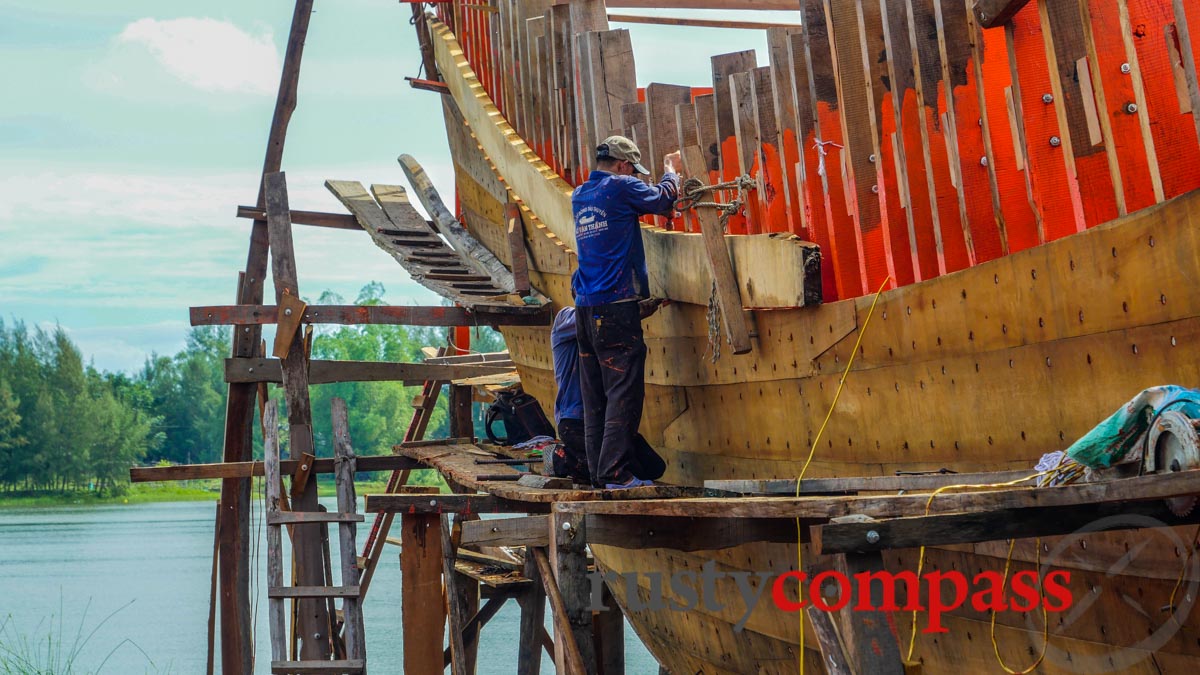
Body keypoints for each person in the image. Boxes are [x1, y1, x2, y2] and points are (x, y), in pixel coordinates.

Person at [571, 136, 680, 489]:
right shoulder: (620, 187)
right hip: (616, 310)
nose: (634, 175)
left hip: (586, 311)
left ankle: (598, 474)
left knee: (596, 398)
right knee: (624, 392)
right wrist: (671, 172)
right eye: (633, 169)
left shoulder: (581, 195)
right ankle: (616, 474)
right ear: (622, 166)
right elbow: (664, 198)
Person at [549, 306, 666, 485]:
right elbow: (593, 320)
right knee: (610, 473)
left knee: (653, 467)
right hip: (575, 421)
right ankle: (565, 460)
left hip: (604, 421)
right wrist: (638, 307)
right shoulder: (564, 319)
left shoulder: (603, 332)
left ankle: (578, 460)